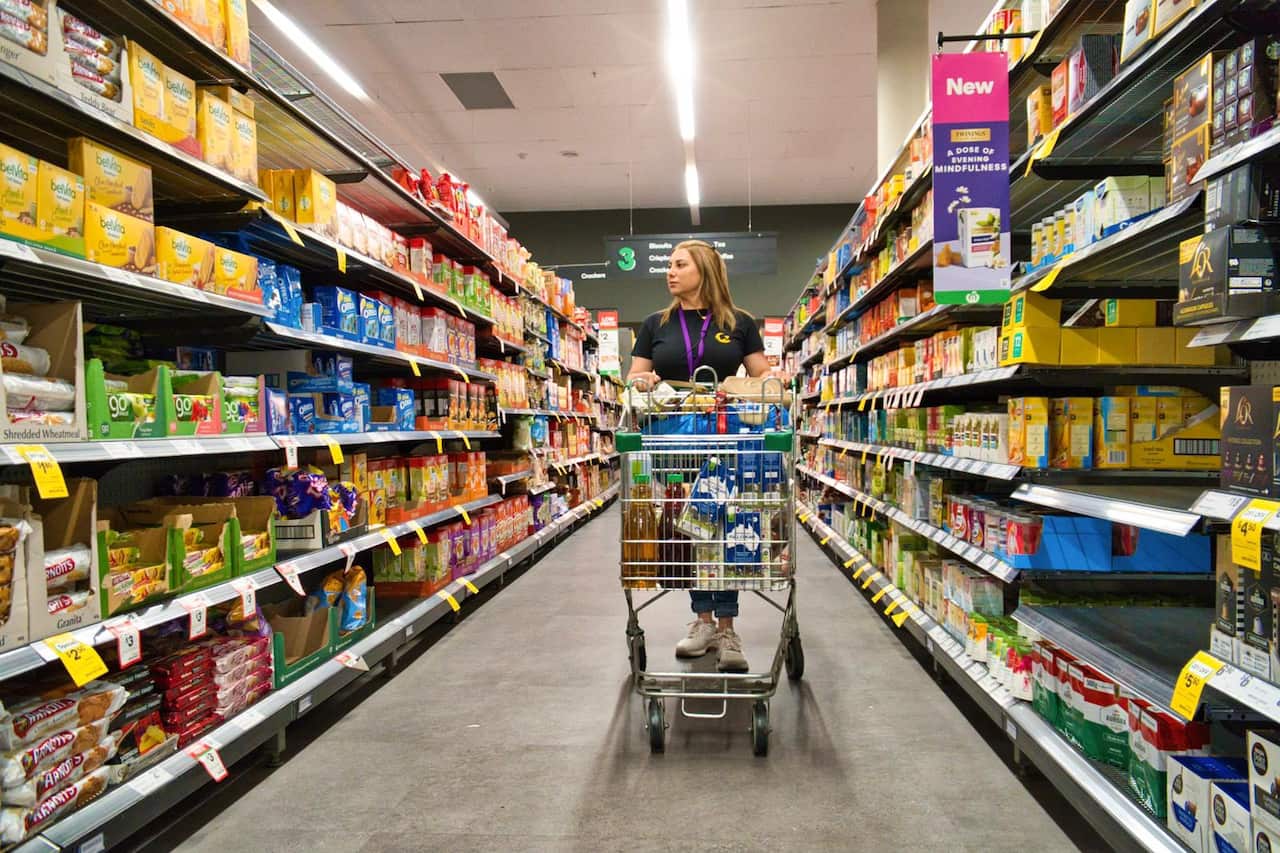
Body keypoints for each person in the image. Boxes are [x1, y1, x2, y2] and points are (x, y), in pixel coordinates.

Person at [628, 239, 771, 673]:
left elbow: (762, 373)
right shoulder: (656, 324)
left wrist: (763, 382)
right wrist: (644, 380)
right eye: (669, 265)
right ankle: (703, 621)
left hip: (727, 437)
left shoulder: (741, 322)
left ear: (704, 269)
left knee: (726, 522)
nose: (669, 272)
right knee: (691, 524)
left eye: (679, 265)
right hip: (673, 439)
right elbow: (634, 374)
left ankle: (727, 626)